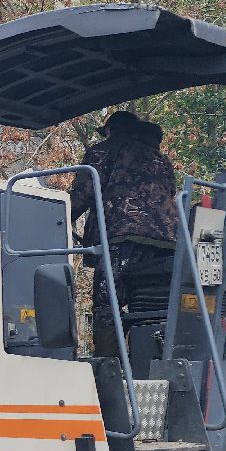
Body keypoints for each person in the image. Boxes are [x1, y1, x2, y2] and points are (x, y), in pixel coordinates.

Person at [68, 111, 178, 356]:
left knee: (108, 307)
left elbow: (82, 195)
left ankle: (110, 370)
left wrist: (55, 216)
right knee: (151, 306)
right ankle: (151, 360)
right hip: (168, 244)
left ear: (111, 130)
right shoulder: (161, 159)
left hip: (122, 238)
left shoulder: (102, 152)